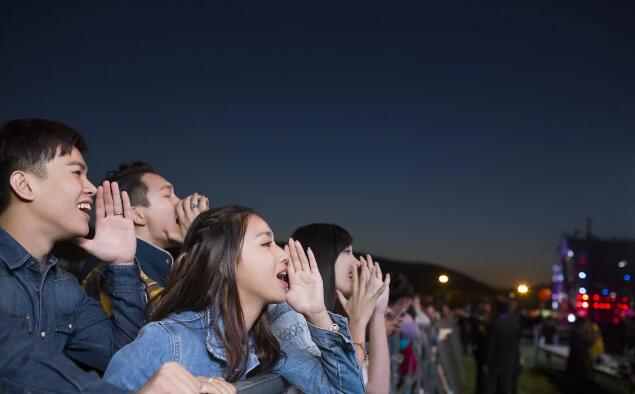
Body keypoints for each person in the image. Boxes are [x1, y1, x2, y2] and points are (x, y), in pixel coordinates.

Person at [104, 207, 364, 393]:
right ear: (222, 263)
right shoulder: (166, 341)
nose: (284, 253)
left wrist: (317, 313)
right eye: (266, 244)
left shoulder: (271, 346)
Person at [0, 119, 146, 372]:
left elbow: (125, 360)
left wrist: (122, 263)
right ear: (24, 185)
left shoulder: (65, 288)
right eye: (77, 172)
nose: (91, 188)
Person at [270, 223, 390, 393]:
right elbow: (345, 388)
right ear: (323, 256)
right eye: (347, 252)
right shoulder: (290, 313)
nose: (357, 262)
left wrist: (378, 312)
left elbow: (377, 390)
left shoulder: (333, 315)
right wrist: (358, 322)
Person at [82, 162, 209, 312]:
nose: (179, 202)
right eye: (168, 195)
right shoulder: (111, 270)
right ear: (137, 214)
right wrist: (202, 242)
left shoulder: (163, 269)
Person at [483, 298, 520, 394]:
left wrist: (486, 361)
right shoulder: (513, 323)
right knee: (506, 386)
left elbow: (491, 344)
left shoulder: (494, 323)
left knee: (491, 387)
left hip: (495, 361)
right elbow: (516, 343)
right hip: (509, 360)